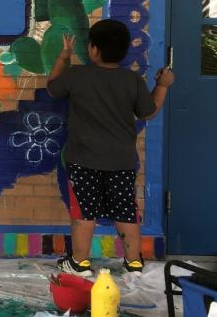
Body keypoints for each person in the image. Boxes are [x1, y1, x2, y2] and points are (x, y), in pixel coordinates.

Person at [47, 19, 174, 276]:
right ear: (125, 51)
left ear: (93, 49)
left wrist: (64, 56)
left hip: (83, 159)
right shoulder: (132, 80)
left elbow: (52, 88)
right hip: (121, 160)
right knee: (125, 209)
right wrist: (162, 86)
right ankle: (133, 262)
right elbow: (148, 113)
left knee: (84, 211)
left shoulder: (77, 75)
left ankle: (79, 263)